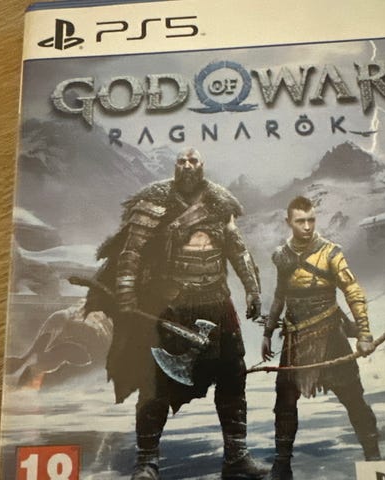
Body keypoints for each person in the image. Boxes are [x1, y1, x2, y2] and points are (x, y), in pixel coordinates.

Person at [84, 147, 266, 480]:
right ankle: (147, 462)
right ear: (175, 167)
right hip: (172, 305)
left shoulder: (220, 202)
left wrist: (252, 290)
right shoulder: (154, 202)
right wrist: (126, 293)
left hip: (217, 302)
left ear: (202, 166)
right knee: (154, 382)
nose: (187, 166)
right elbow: (132, 252)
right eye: (182, 161)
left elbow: (237, 249)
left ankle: (237, 458)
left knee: (232, 376)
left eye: (193, 161)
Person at [261, 196, 380, 480]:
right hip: (295, 339)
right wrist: (268, 331)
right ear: (288, 222)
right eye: (300, 221)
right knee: (284, 402)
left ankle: (373, 456)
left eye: (311, 220)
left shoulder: (331, 253)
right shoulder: (282, 256)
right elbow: (280, 296)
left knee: (353, 398)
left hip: (331, 336)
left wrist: (364, 334)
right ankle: (282, 466)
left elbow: (353, 291)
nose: (307, 226)